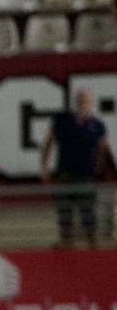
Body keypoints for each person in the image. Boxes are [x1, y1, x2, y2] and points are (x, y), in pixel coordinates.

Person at [40, 89, 109, 248]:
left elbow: (101, 148)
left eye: (86, 101)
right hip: (64, 174)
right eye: (80, 100)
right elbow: (48, 143)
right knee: (64, 212)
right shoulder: (63, 121)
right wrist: (44, 167)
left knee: (88, 211)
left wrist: (99, 168)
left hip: (85, 175)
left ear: (91, 104)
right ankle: (66, 242)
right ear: (75, 102)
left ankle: (92, 242)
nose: (83, 104)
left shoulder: (96, 125)